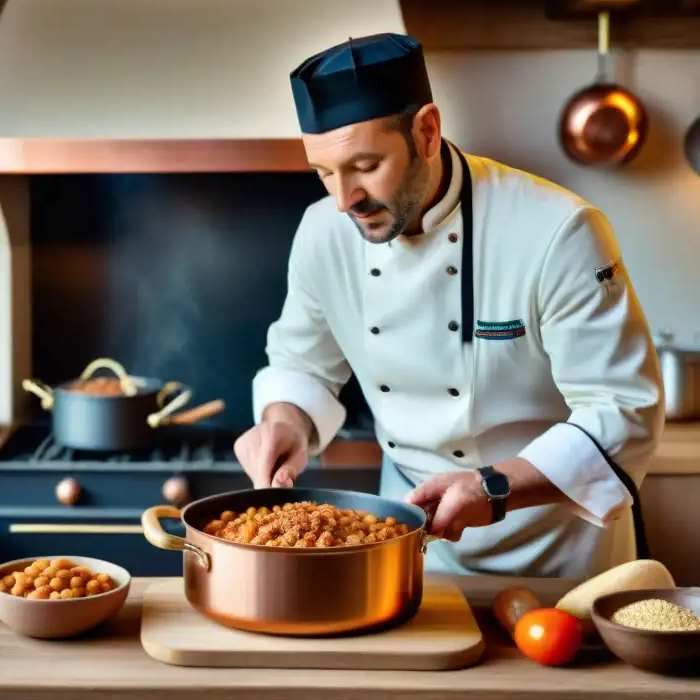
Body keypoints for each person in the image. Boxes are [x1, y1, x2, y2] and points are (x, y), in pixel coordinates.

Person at [233, 33, 664, 578]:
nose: (344, 200)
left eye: (365, 165)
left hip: (556, 547)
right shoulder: (323, 232)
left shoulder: (557, 230)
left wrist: (494, 486)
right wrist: (285, 423)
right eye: (324, 173)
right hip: (412, 540)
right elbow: (302, 363)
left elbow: (623, 408)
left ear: (427, 132)